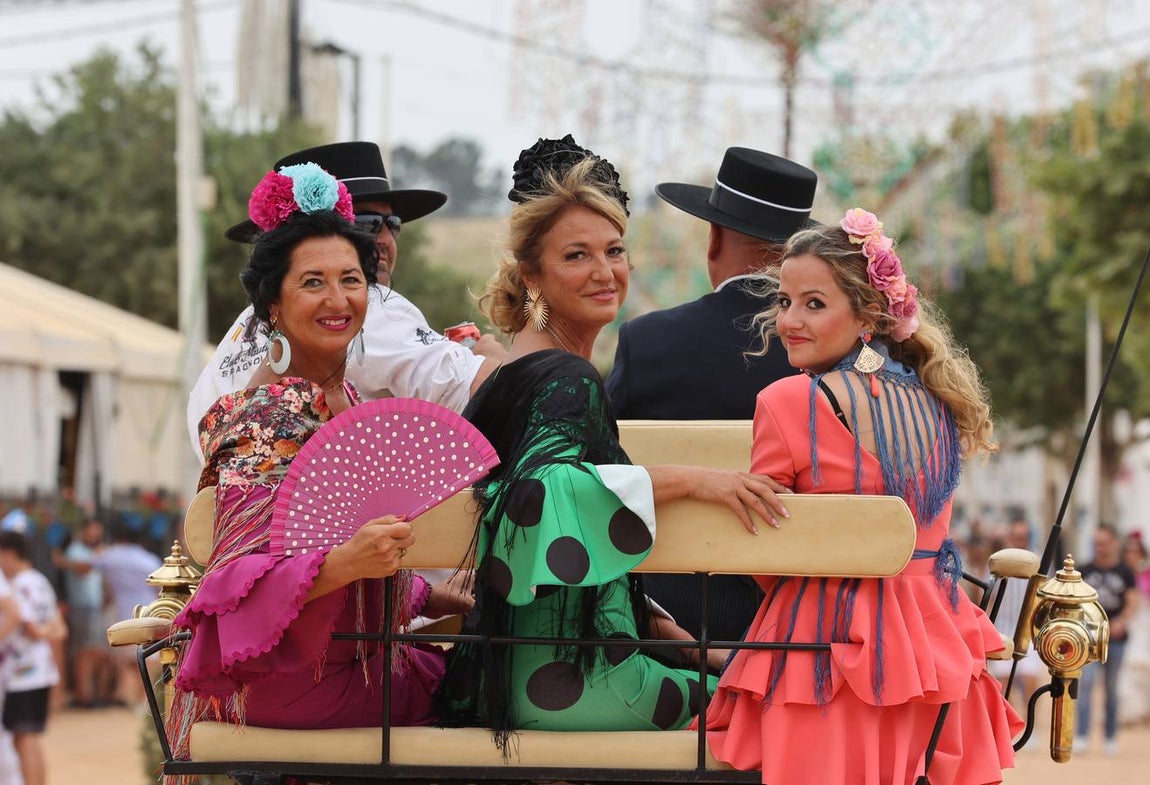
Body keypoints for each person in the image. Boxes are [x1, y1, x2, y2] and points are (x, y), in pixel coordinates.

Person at [436, 136, 789, 749]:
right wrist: (697, 479)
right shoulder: (567, 380)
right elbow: (544, 492)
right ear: (533, 277)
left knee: (737, 680)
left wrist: (680, 638)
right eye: (577, 255)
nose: (605, 272)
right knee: (782, 710)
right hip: (575, 682)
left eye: (615, 250)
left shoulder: (510, 370)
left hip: (508, 675)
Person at [697, 210, 1022, 785]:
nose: (789, 321)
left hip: (822, 648)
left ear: (868, 314)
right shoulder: (939, 401)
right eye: (786, 302)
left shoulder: (786, 402)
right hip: (935, 644)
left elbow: (769, 553)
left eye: (813, 304)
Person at [169, 163, 470, 759]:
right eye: (313, 283)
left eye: (351, 280)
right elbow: (238, 583)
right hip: (290, 679)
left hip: (353, 658)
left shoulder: (349, 399)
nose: (339, 300)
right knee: (491, 697)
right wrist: (349, 560)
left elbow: (348, 559)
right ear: (272, 304)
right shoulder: (266, 413)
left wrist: (430, 596)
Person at [606, 147, 814, 657]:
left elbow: (602, 464)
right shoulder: (826, 354)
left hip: (666, 626)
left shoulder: (647, 340)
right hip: (797, 625)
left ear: (714, 238)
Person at [187, 141, 505, 461]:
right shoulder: (264, 420)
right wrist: (490, 353)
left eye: (392, 225)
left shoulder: (329, 385)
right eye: (366, 224)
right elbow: (491, 390)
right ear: (273, 301)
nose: (382, 240)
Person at [0, 530, 65, 785]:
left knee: (26, 739)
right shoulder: (39, 580)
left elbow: (27, 623)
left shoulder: (21, 584)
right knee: (26, 737)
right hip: (37, 670)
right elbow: (59, 628)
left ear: (9, 553)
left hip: (24, 672)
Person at [1074, 523, 1138, 754]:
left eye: (1102, 542)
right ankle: (1081, 734)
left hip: (1116, 639)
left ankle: (1110, 736)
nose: (1098, 547)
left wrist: (1122, 620)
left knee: (1111, 687)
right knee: (1086, 684)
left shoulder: (1125, 571)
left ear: (1113, 543)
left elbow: (1133, 600)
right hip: (1089, 638)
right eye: (1095, 543)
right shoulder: (1083, 570)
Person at [91, 521, 162, 705]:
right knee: (148, 656)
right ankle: (142, 697)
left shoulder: (110, 555)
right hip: (148, 610)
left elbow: (88, 565)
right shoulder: (149, 559)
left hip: (121, 611)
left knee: (124, 657)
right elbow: (159, 588)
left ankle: (127, 695)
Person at [55, 517, 112, 708]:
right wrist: (101, 555)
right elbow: (84, 569)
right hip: (82, 607)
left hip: (93, 607)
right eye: (93, 530)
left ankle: (89, 693)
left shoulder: (90, 552)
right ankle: (83, 695)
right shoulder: (77, 550)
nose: (96, 534)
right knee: (85, 652)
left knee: (93, 651)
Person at [1118, 531, 1150, 725]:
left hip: (1144, 622)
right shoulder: (1122, 574)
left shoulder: (1145, 575)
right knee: (1128, 665)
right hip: (1129, 623)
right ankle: (1130, 711)